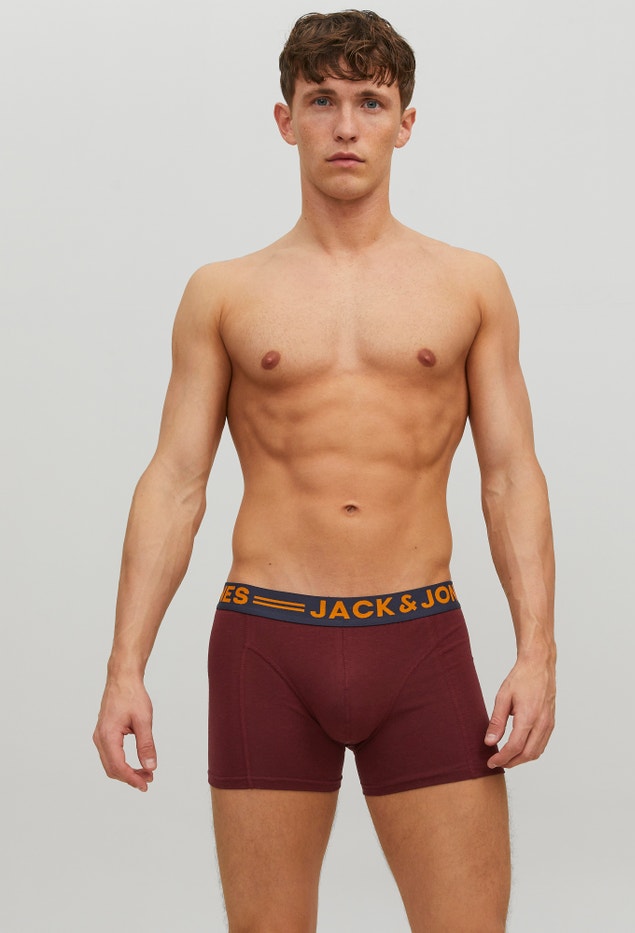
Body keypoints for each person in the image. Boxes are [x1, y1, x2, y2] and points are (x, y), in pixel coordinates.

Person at [93, 9, 556, 932]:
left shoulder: (471, 285)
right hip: (267, 641)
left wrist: (537, 650)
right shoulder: (224, 292)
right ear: (286, 120)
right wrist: (124, 667)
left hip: (419, 637)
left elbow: (510, 476)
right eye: (323, 101)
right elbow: (176, 482)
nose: (347, 126)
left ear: (405, 123)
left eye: (370, 102)